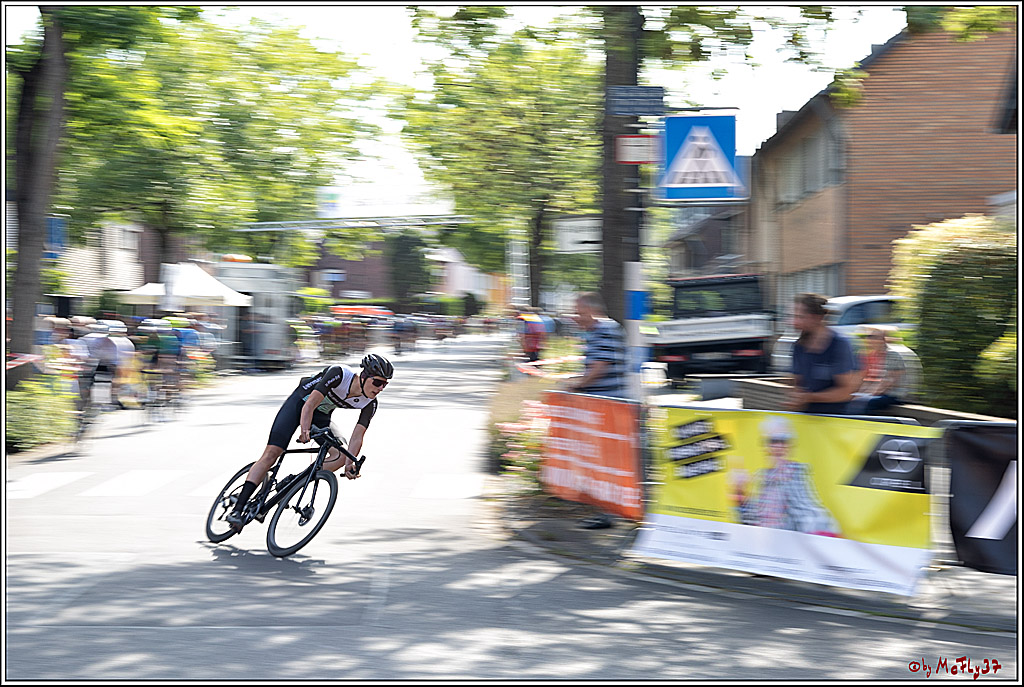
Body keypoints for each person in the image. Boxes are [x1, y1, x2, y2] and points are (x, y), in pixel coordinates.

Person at [226, 353, 394, 532]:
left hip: (320, 417)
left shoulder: (370, 403)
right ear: (364, 376)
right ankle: (238, 509)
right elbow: (310, 404)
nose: (381, 388)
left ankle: (292, 483)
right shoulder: (339, 374)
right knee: (272, 454)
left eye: (385, 384)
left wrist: (349, 464)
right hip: (299, 405)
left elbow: (358, 436)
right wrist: (304, 430)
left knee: (340, 454)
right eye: (377, 382)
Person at [563, 292, 629, 529]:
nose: (576, 317)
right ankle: (606, 511)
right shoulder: (595, 332)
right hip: (602, 407)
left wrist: (576, 385)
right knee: (602, 461)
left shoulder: (605, 330)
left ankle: (609, 514)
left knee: (607, 461)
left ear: (591, 311)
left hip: (609, 407)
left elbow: (600, 367)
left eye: (579, 312)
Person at [731, 415, 840, 536]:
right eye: (773, 441)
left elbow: (808, 514)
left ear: (790, 445)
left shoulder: (795, 473)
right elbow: (753, 521)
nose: (779, 446)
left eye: (784, 441)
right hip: (768, 544)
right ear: (765, 446)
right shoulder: (762, 477)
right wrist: (740, 494)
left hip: (791, 544)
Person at [783, 293, 860, 415]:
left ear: (816, 318)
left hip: (836, 420)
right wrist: (796, 398)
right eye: (791, 316)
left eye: (799, 317)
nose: (792, 322)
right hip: (808, 419)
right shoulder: (799, 346)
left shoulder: (839, 344)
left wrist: (810, 397)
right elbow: (798, 384)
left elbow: (846, 392)